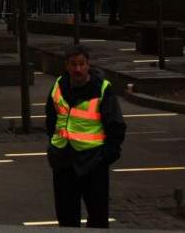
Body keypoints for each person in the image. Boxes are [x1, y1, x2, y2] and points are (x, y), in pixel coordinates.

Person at [45, 44, 126, 228]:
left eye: (82, 64)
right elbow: (51, 118)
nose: (78, 69)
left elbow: (117, 127)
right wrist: (53, 144)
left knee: (97, 218)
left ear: (88, 65)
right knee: (66, 218)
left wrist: (105, 157)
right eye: (73, 64)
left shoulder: (102, 89)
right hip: (63, 160)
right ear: (67, 65)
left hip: (93, 162)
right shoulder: (58, 86)